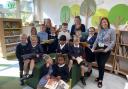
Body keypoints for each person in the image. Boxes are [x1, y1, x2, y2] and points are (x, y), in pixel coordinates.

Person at [91, 17, 116, 88]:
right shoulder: (100, 31)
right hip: (98, 48)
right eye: (102, 22)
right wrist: (93, 48)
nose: (104, 23)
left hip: (106, 49)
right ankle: (99, 77)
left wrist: (107, 49)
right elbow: (96, 40)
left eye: (105, 22)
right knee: (99, 64)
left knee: (102, 64)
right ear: (101, 24)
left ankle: (100, 80)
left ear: (108, 22)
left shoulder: (112, 31)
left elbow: (113, 42)